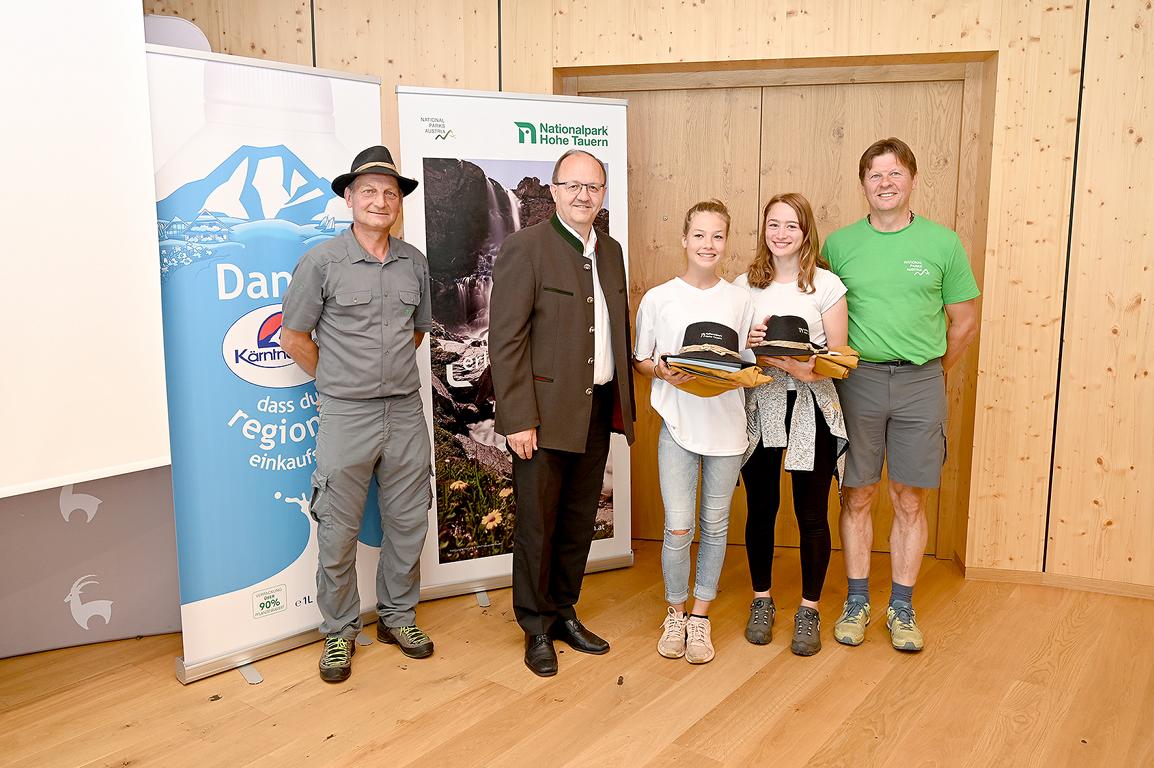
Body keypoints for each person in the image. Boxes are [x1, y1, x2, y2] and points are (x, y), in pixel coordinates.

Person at [280, 145, 435, 683]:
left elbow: (418, 330)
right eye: (368, 191)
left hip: (405, 413)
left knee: (409, 522)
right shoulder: (321, 262)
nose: (380, 200)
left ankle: (397, 618)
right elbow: (294, 336)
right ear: (349, 198)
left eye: (390, 193)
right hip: (345, 415)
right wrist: (335, 381)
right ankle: (339, 632)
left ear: (399, 204)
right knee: (338, 530)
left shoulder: (414, 261)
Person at [822, 137, 980, 652]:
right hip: (857, 380)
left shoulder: (943, 244)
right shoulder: (840, 246)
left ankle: (903, 608)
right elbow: (821, 317)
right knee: (857, 493)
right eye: (875, 175)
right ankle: (857, 602)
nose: (885, 184)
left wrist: (934, 373)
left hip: (920, 382)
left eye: (895, 174)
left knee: (908, 498)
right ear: (863, 184)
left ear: (912, 179)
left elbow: (964, 321)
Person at [488, 149, 636, 677]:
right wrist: (518, 418)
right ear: (553, 191)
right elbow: (505, 340)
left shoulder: (613, 252)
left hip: (597, 410)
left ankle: (564, 612)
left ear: (602, 195)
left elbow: (614, 329)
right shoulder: (524, 247)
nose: (583, 195)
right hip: (544, 417)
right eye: (572, 185)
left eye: (593, 187)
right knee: (537, 525)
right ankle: (534, 626)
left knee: (578, 520)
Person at [633, 200, 754, 665]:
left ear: (726, 243)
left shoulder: (740, 299)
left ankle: (700, 619)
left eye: (717, 236)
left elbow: (743, 361)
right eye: (699, 235)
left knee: (716, 526)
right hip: (679, 428)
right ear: (684, 239)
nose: (708, 244)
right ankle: (675, 611)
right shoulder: (660, 298)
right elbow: (642, 359)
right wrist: (661, 373)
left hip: (727, 429)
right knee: (679, 527)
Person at [735, 193, 849, 657]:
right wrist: (751, 345)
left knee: (810, 512)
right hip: (760, 399)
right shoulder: (744, 285)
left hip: (810, 401)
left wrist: (803, 368)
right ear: (763, 230)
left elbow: (839, 359)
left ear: (806, 233)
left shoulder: (826, 285)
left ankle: (809, 608)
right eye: (773, 225)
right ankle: (762, 600)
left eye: (792, 226)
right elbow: (733, 353)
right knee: (760, 507)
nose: (781, 234)